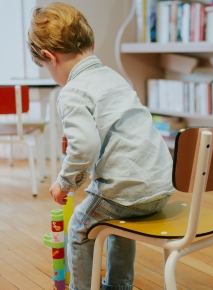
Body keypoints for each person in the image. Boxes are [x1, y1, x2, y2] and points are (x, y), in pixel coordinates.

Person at [28, 2, 175, 290]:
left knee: (81, 226)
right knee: (119, 222)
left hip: (126, 193)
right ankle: (119, 285)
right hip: (162, 186)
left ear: (50, 57)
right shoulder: (112, 76)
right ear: (91, 45)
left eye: (46, 67)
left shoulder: (71, 92)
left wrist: (65, 182)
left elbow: (84, 148)